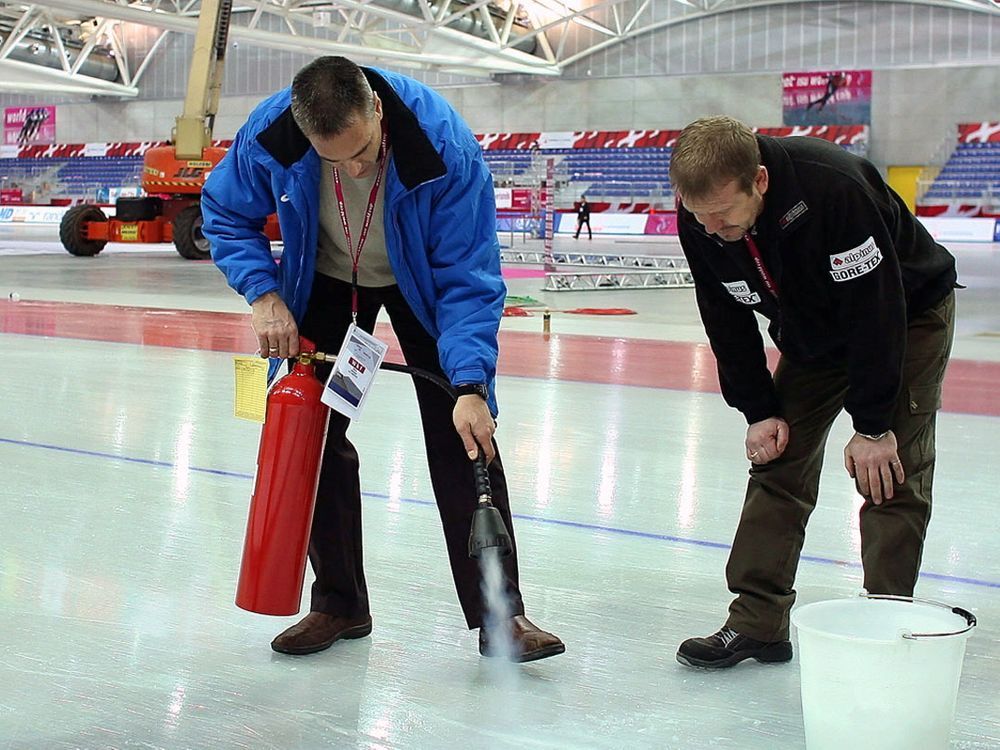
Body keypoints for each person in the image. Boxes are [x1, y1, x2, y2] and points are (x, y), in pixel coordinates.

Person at [202, 56, 564, 663]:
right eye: (333, 160)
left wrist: (470, 383)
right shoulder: (273, 132)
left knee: (465, 438)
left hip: (420, 282)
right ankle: (339, 603)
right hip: (321, 278)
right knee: (311, 435)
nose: (355, 168)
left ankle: (502, 615)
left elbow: (469, 278)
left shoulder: (442, 145)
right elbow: (224, 212)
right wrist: (263, 296)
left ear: (375, 106)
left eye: (363, 149)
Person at [669, 116, 958, 669]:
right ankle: (758, 622)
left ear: (760, 180)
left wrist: (873, 425)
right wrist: (758, 408)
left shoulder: (833, 187)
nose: (710, 229)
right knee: (779, 462)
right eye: (698, 215)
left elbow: (877, 311)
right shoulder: (703, 218)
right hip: (810, 328)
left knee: (887, 470)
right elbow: (723, 315)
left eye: (724, 215)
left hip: (906, 312)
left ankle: (886, 621)